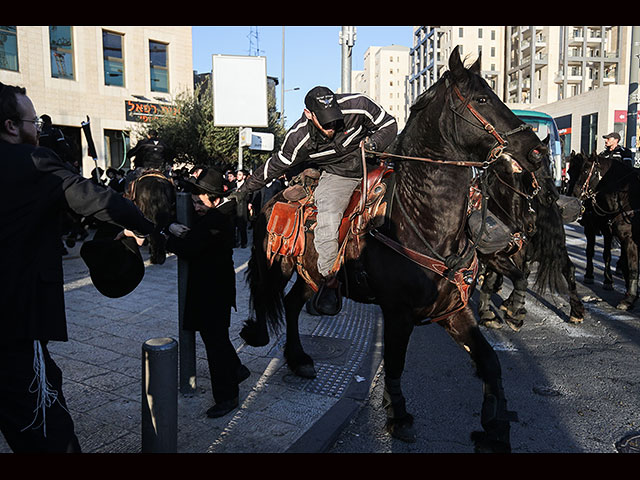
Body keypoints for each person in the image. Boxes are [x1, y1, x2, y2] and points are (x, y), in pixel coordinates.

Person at [0, 82, 155, 453]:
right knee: (52, 436)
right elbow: (98, 199)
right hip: (11, 331)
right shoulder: (33, 161)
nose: (37, 129)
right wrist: (146, 226)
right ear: (10, 126)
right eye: (32, 121)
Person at [231, 86, 397, 315]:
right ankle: (329, 282)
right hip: (339, 176)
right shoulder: (298, 137)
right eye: (326, 122)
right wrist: (244, 189)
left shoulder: (358, 104)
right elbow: (276, 164)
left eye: (334, 120)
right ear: (309, 114)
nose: (332, 126)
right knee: (328, 219)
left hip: (377, 166)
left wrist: (373, 144)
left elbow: (389, 124)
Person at [163, 167, 250, 419]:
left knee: (215, 343)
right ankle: (236, 370)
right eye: (192, 202)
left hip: (213, 290)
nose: (195, 207)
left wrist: (167, 233)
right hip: (213, 288)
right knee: (217, 338)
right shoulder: (216, 212)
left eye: (199, 202)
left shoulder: (217, 218)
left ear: (214, 198)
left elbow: (189, 247)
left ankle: (227, 396)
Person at [233, 169, 249, 248]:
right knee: (234, 225)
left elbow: (248, 196)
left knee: (242, 226)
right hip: (234, 207)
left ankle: (243, 242)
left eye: (240, 174)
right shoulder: (234, 184)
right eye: (237, 174)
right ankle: (235, 242)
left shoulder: (246, 186)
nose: (238, 176)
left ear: (244, 176)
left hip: (242, 207)